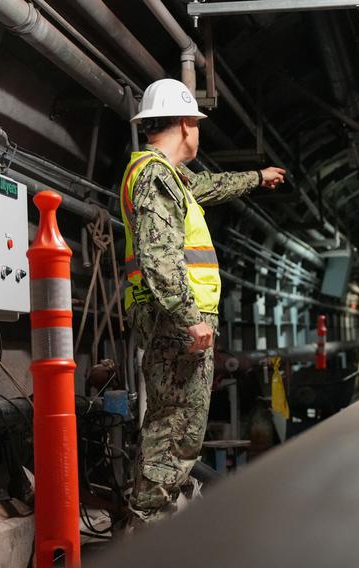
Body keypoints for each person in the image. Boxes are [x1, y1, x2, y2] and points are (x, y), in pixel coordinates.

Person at [120, 78, 286, 523]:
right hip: (175, 323)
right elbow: (159, 257)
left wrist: (257, 177)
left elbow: (207, 187)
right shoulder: (155, 177)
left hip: (175, 321)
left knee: (180, 429)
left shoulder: (170, 177)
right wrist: (191, 318)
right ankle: (149, 528)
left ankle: (161, 522)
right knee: (173, 429)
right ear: (186, 124)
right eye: (197, 123)